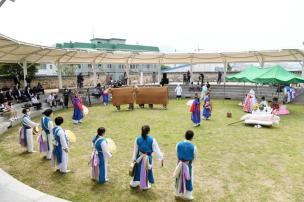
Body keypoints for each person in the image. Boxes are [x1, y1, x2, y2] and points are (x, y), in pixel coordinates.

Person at [130, 125, 164, 190]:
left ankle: (135, 182)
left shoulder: (137, 139)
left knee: (138, 170)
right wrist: (161, 156)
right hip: (148, 158)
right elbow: (157, 151)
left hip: (139, 158)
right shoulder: (152, 140)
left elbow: (135, 150)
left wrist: (134, 159)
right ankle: (145, 184)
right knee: (147, 171)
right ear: (149, 131)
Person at [174, 130, 197, 200]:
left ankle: (177, 193)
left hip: (180, 163)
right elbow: (194, 157)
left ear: (184, 136)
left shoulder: (178, 144)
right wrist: (189, 162)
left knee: (178, 177)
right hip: (188, 164)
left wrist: (181, 161)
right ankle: (188, 195)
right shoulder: (194, 147)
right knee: (188, 179)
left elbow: (177, 154)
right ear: (192, 138)